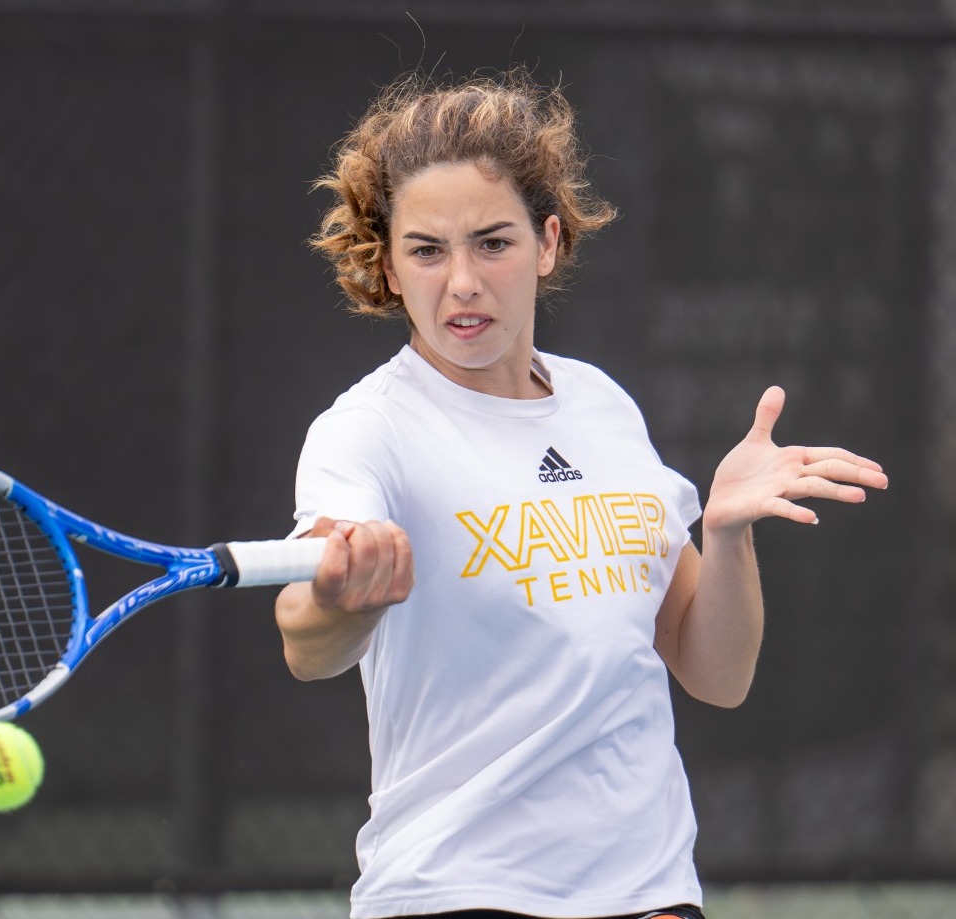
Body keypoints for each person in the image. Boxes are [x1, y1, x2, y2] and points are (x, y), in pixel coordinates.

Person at [273, 67, 888, 919]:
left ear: (549, 242)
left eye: (493, 241)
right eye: (426, 249)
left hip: (648, 891)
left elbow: (714, 673)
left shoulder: (601, 404)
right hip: (453, 891)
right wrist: (343, 594)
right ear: (388, 264)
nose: (461, 281)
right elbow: (308, 641)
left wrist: (727, 534)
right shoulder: (365, 432)